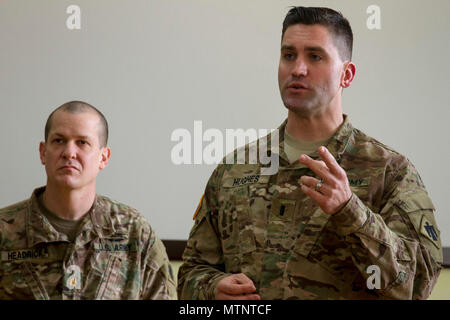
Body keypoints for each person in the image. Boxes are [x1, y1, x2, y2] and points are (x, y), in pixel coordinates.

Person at [177, 7, 443, 300]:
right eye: (289, 55)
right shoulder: (234, 170)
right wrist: (212, 290)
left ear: (347, 74)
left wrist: (350, 212)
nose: (297, 69)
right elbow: (191, 273)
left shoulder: (390, 172)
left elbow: (417, 286)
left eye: (315, 56)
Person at [0, 101, 176, 299]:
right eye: (59, 140)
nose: (69, 152)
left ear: (103, 157)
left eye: (82, 142)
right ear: (43, 152)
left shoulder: (135, 232)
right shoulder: (4, 230)